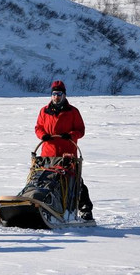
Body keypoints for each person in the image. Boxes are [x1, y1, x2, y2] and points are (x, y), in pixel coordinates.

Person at [34, 79, 94, 221]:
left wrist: (71, 135)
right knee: (46, 181)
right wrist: (43, 135)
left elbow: (81, 130)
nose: (57, 96)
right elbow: (38, 128)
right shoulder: (44, 111)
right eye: (54, 94)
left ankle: (85, 209)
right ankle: (46, 205)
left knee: (75, 182)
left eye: (59, 94)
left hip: (67, 154)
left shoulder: (73, 111)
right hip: (48, 154)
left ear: (64, 95)